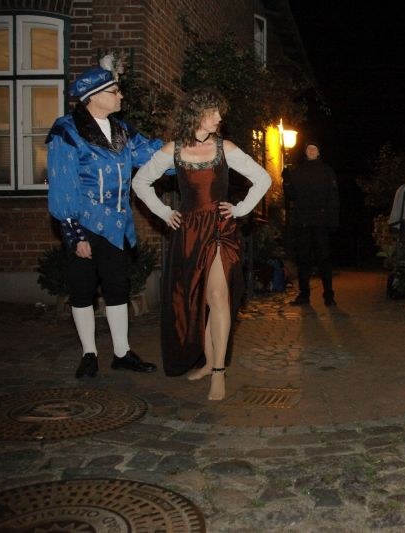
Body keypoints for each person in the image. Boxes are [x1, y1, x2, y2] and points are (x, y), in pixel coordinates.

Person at [133, 88, 271, 400]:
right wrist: (164, 212)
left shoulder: (225, 148)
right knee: (199, 300)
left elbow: (263, 178)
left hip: (220, 229)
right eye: (214, 111)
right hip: (189, 233)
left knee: (218, 296)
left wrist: (240, 210)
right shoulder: (173, 150)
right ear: (197, 114)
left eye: (220, 112)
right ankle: (209, 362)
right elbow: (140, 182)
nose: (220, 117)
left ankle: (218, 372)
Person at [47, 60, 162, 379]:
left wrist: (185, 152)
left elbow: (151, 155)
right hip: (84, 224)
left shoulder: (122, 130)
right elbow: (62, 183)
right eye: (114, 91)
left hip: (117, 225)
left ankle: (122, 353)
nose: (120, 95)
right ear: (93, 97)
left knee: (117, 287)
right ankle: (89, 353)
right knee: (82, 289)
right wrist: (74, 234)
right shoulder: (66, 130)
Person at [283, 140, 340, 306]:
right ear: (305, 152)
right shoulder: (298, 171)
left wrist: (333, 220)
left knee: (324, 259)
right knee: (303, 259)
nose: (312, 151)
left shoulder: (327, 171)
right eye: (309, 148)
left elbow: (333, 197)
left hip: (321, 221)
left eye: (314, 148)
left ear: (319, 152)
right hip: (302, 222)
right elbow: (291, 195)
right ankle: (304, 294)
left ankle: (329, 295)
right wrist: (286, 181)